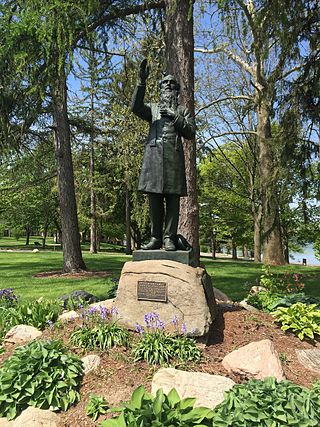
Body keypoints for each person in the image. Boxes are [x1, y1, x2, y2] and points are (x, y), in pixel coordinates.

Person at [131, 59, 196, 251]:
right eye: (164, 84)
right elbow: (135, 107)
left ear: (176, 90)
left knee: (173, 199)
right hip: (153, 157)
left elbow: (190, 132)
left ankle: (169, 237)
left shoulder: (183, 111)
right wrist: (141, 82)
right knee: (154, 199)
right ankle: (155, 237)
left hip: (173, 158)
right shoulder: (152, 109)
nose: (168, 85)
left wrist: (175, 116)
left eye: (172, 84)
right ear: (160, 89)